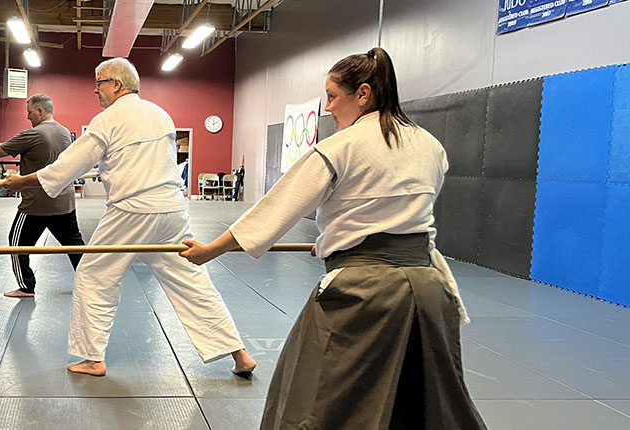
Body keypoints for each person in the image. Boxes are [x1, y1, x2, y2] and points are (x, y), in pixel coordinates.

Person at [180, 47, 487, 430]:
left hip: (364, 294)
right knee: (428, 402)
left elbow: (274, 212)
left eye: (331, 96)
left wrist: (211, 250)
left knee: (316, 397)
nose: (326, 107)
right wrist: (337, 240)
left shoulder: (338, 148)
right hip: (429, 290)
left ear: (363, 93)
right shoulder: (430, 145)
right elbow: (398, 213)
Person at [2, 58, 256, 377]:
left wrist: (21, 181)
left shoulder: (108, 119)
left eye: (100, 84)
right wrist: (108, 168)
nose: (96, 91)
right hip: (171, 211)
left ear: (116, 85)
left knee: (94, 276)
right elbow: (137, 160)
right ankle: (239, 354)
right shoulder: (160, 114)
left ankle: (92, 358)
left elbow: (67, 166)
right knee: (192, 281)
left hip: (131, 212)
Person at [0, 94, 85, 298]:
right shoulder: (65, 132)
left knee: (17, 242)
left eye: (30, 112)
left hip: (36, 204)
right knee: (75, 246)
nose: (28, 117)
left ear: (40, 111)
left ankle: (26, 287)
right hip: (64, 201)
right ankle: (90, 284)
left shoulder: (33, 134)